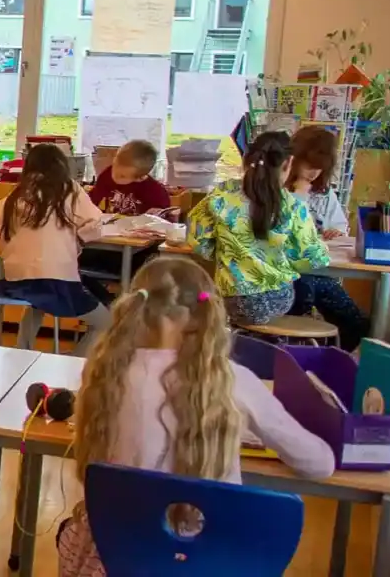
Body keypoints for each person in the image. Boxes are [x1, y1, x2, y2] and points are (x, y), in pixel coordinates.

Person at [56, 257, 335, 576]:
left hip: (112, 557)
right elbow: (319, 464)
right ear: (208, 313)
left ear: (135, 308)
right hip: (209, 563)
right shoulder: (233, 379)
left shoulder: (104, 374)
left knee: (71, 529)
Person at [0, 143, 112, 354]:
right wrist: (78, 240)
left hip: (19, 279)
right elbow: (95, 223)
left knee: (37, 303)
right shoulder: (71, 190)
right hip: (57, 280)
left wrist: (4, 245)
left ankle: (23, 353)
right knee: (107, 323)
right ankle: (72, 361)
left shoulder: (18, 194)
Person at [188, 132, 330, 327]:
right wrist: (322, 247)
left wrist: (225, 251)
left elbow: (198, 241)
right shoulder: (292, 205)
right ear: (289, 163)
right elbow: (311, 259)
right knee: (316, 286)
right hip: (276, 300)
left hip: (230, 299)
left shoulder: (221, 194)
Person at [287, 126, 368, 349]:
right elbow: (289, 230)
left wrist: (337, 232)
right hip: (289, 274)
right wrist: (300, 194)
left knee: (356, 322)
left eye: (319, 169)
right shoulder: (280, 190)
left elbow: (339, 226)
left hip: (319, 269)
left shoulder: (324, 193)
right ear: (293, 159)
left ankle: (335, 359)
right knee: (306, 292)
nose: (313, 173)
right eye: (309, 166)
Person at [80, 140, 172, 305]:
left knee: (136, 270)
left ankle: (114, 307)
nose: (115, 176)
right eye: (115, 169)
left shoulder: (155, 192)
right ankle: (104, 307)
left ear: (141, 177)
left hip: (134, 251)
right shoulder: (108, 175)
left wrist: (155, 219)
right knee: (75, 257)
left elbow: (165, 225)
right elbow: (91, 203)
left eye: (122, 176)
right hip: (107, 242)